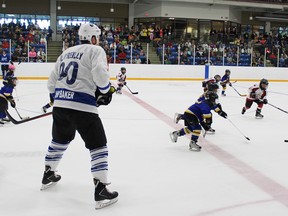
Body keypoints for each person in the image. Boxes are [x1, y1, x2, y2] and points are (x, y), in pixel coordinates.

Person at [41, 23, 118, 209]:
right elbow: (100, 73)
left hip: (60, 106)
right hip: (83, 107)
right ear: (93, 38)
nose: (98, 40)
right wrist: (106, 91)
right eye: (97, 37)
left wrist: (56, 99)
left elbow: (52, 82)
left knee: (59, 140)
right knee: (98, 146)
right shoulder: (95, 50)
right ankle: (101, 189)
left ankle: (48, 174)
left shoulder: (65, 52)